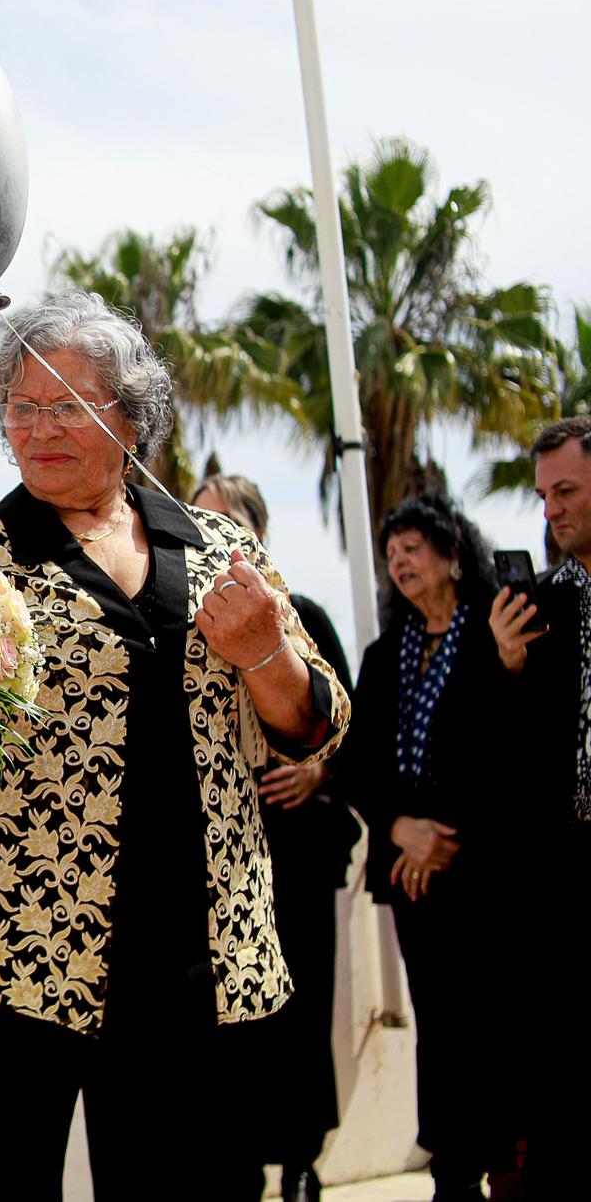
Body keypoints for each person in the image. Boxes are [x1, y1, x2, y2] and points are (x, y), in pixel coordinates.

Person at [0, 291, 349, 1201]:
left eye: (69, 405)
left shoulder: (216, 547)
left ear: (133, 418)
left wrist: (264, 655)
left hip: (191, 959)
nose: (39, 428)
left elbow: (316, 720)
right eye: (22, 406)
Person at [338, 494, 524, 1201]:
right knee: (438, 1022)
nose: (401, 562)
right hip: (411, 875)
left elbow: (508, 751)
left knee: (493, 1016)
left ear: (451, 551)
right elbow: (357, 763)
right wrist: (399, 829)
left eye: (413, 546)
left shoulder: (497, 629)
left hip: (484, 865)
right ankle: (451, 1166)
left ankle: (501, 1155)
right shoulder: (387, 654)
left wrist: (444, 833)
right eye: (392, 554)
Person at [193, 472, 360, 1202]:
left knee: (300, 1014)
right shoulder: (184, 621)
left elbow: (347, 723)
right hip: (217, 861)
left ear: (254, 535)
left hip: (297, 851)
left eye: (219, 524)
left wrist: (315, 776)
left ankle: (300, 1160)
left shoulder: (309, 612)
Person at [488, 417, 591, 1201]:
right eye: (543, 496)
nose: (551, 510)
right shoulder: (543, 602)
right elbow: (507, 755)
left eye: (567, 491)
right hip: (562, 871)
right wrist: (512, 663)